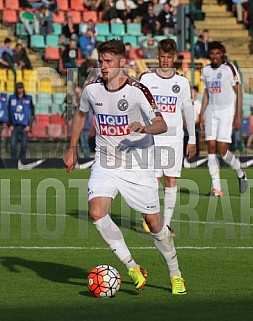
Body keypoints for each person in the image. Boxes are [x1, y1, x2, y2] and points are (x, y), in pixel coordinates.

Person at [63, 39, 186, 295]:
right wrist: (72, 148)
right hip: (105, 162)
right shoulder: (92, 89)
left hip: (138, 164)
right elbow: (81, 114)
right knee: (96, 212)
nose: (104, 66)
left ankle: (175, 274)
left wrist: (145, 127)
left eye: (108, 61)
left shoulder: (137, 91)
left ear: (122, 62)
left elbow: (161, 124)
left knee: (154, 224)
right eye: (101, 61)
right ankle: (132, 266)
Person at [139, 39, 196, 229]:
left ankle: (167, 224)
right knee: (153, 180)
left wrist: (192, 139)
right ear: (157, 56)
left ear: (174, 58)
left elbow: (188, 111)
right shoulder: (146, 79)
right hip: (153, 137)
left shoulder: (182, 82)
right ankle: (151, 214)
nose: (165, 61)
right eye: (162, 56)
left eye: (169, 57)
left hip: (174, 138)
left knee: (171, 179)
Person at [199, 41, 248, 197]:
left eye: (217, 53)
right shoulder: (205, 70)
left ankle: (240, 172)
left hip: (227, 113)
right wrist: (201, 114)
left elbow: (239, 92)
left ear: (222, 53)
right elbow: (207, 93)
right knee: (210, 148)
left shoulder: (229, 68)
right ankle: (216, 188)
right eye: (212, 53)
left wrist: (237, 116)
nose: (214, 56)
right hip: (212, 112)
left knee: (222, 150)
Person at [8, 82, 35, 162]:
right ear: (16, 89)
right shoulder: (12, 98)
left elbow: (32, 113)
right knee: (13, 145)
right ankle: (13, 162)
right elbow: (8, 111)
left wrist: (30, 126)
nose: (20, 90)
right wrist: (10, 124)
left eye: (21, 88)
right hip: (15, 126)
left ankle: (21, 161)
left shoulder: (28, 99)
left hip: (25, 126)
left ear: (23, 89)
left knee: (23, 146)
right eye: (18, 88)